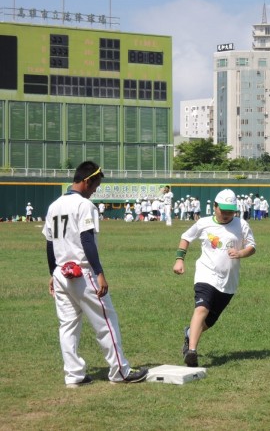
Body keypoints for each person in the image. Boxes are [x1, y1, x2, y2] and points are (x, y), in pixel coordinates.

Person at [42, 161, 147, 387]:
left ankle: (74, 375)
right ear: (87, 180)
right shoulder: (84, 205)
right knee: (107, 321)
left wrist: (52, 272)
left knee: (68, 326)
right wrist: (99, 272)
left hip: (61, 272)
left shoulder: (54, 205)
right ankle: (120, 372)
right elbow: (86, 240)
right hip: (83, 272)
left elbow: (50, 244)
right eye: (96, 184)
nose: (96, 189)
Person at [172, 189, 256, 367]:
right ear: (215, 207)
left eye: (230, 211)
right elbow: (185, 237)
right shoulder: (203, 223)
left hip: (229, 282)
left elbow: (252, 246)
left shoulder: (242, 225)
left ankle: (189, 334)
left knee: (209, 321)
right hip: (206, 274)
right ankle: (192, 352)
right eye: (223, 210)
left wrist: (241, 252)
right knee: (201, 308)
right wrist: (180, 259)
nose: (226, 214)